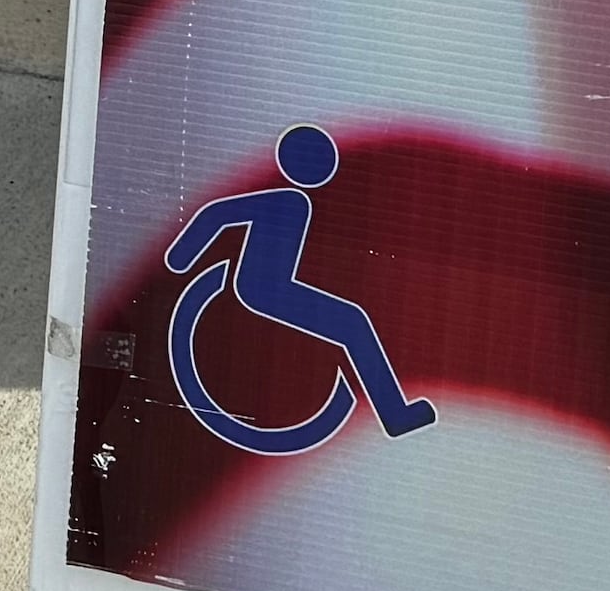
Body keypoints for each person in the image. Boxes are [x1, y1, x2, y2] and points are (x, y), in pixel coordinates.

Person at [163, 123, 437, 451]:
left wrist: (183, 258)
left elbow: (218, 213)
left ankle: (395, 413)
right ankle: (394, 414)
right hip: (265, 290)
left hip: (272, 287)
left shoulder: (295, 201)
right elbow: (219, 213)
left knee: (353, 322)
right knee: (353, 323)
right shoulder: (289, 200)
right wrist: (181, 258)